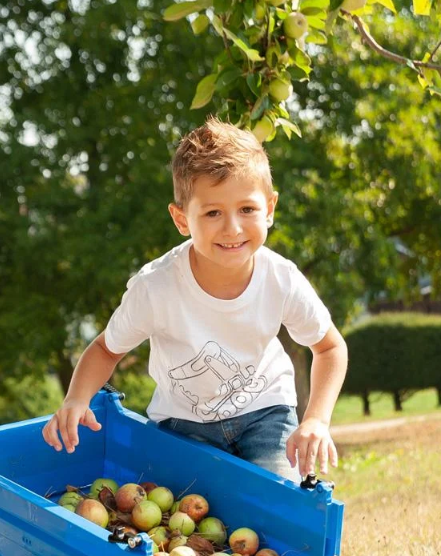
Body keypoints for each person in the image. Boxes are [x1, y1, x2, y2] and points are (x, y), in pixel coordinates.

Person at [42, 117, 348, 480]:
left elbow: (329, 348)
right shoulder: (155, 288)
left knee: (281, 503)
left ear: (269, 208)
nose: (232, 228)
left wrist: (316, 419)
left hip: (267, 413)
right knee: (192, 516)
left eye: (247, 209)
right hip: (183, 426)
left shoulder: (280, 279)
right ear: (181, 219)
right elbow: (107, 349)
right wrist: (76, 398)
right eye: (213, 212)